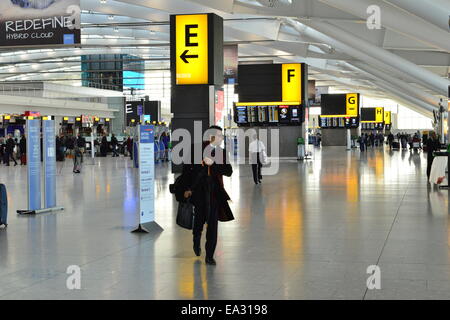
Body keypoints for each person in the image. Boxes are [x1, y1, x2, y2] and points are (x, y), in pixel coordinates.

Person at [176, 126, 234, 265]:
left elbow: (228, 171)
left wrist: (213, 164)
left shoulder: (222, 152)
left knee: (212, 222)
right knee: (200, 219)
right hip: (198, 191)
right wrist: (186, 189)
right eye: (219, 136)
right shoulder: (195, 150)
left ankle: (210, 255)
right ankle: (196, 238)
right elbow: (187, 171)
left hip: (214, 192)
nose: (221, 139)